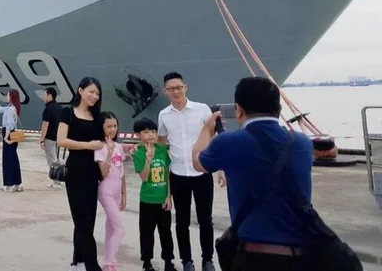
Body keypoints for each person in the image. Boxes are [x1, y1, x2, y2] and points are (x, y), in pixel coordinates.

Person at [192, 77, 315, 271]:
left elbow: (198, 163)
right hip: (299, 256)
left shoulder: (228, 142)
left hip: (252, 255)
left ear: (239, 110)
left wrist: (207, 130)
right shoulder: (303, 143)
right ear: (278, 108)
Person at [157, 72, 222, 271]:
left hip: (202, 173)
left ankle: (207, 260)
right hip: (178, 175)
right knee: (181, 221)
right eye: (171, 89)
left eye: (179, 87)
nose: (176, 92)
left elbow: (214, 137)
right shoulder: (163, 115)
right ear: (165, 91)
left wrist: (221, 167)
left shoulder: (202, 110)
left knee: (206, 220)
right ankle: (187, 261)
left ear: (185, 87)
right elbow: (161, 144)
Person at [57, 76, 105, 271]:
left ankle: (78, 262)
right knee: (81, 219)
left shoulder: (96, 116)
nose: (94, 96)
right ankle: (93, 266)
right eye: (91, 91)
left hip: (93, 172)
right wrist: (88, 145)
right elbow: (61, 140)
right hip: (76, 171)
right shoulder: (68, 112)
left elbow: (105, 141)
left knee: (88, 219)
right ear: (80, 90)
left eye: (97, 93)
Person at [134, 117, 176, 271]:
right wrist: (148, 159)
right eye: (146, 132)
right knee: (147, 233)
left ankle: (168, 263)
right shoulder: (139, 152)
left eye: (153, 131)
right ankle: (147, 263)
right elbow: (144, 177)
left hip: (162, 200)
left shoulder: (162, 149)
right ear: (138, 135)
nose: (151, 135)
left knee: (166, 233)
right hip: (147, 200)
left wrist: (168, 196)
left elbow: (168, 173)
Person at [95, 112, 127, 271]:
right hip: (106, 189)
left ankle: (109, 261)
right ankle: (108, 263)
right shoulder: (100, 147)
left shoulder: (118, 146)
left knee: (111, 227)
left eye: (115, 126)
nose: (112, 129)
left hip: (117, 189)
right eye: (109, 126)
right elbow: (104, 172)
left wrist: (124, 194)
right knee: (119, 229)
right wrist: (108, 153)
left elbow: (122, 171)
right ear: (101, 127)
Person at [0, 88, 23, 192]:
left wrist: (5, 137)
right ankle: (17, 183)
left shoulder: (11, 109)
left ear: (11, 97)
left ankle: (10, 184)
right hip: (12, 134)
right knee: (13, 159)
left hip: (8, 134)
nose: (6, 97)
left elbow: (9, 125)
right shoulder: (11, 108)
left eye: (8, 95)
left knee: (8, 160)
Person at [39, 87, 63, 188]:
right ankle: (56, 179)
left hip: (50, 138)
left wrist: (42, 140)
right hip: (58, 138)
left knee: (52, 160)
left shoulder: (48, 110)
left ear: (50, 96)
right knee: (56, 159)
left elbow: (45, 125)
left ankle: (56, 181)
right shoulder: (60, 108)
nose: (43, 97)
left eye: (44, 94)